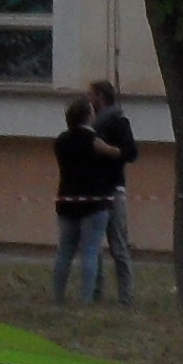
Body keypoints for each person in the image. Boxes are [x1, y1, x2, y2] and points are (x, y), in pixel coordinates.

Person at [52, 97, 122, 304]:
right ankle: (86, 298)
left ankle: (58, 296)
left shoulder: (61, 141)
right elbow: (115, 153)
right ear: (88, 116)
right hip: (94, 203)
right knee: (90, 252)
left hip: (66, 200)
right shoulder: (94, 141)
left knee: (64, 251)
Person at [82, 78, 139, 305]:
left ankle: (126, 297)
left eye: (91, 94)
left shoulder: (118, 122)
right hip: (94, 190)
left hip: (113, 189)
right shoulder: (92, 125)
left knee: (118, 246)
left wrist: (108, 150)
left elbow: (131, 153)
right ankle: (96, 293)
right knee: (93, 246)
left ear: (101, 97)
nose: (88, 99)